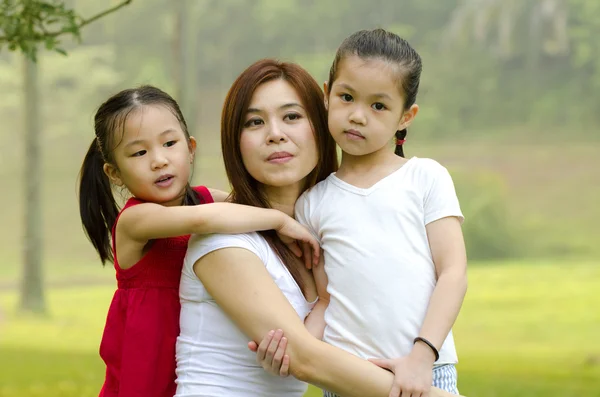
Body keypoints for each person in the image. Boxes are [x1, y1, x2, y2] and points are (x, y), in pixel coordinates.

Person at [176, 59, 459, 397]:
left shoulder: (319, 223)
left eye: (292, 116)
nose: (276, 134)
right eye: (254, 122)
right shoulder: (223, 240)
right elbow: (306, 358)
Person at [254, 28, 468, 397]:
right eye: (347, 97)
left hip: (425, 373)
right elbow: (326, 299)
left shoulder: (425, 177)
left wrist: (422, 355)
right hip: (346, 379)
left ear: (406, 116)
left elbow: (453, 272)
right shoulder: (312, 202)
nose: (357, 116)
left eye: (378, 106)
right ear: (326, 95)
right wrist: (294, 350)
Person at [78, 85, 320, 397]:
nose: (159, 160)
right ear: (114, 173)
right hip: (145, 370)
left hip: (195, 362)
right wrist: (279, 220)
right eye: (139, 152)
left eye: (169, 143)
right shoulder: (135, 220)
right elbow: (207, 219)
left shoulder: (208, 200)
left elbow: (246, 206)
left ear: (190, 148)